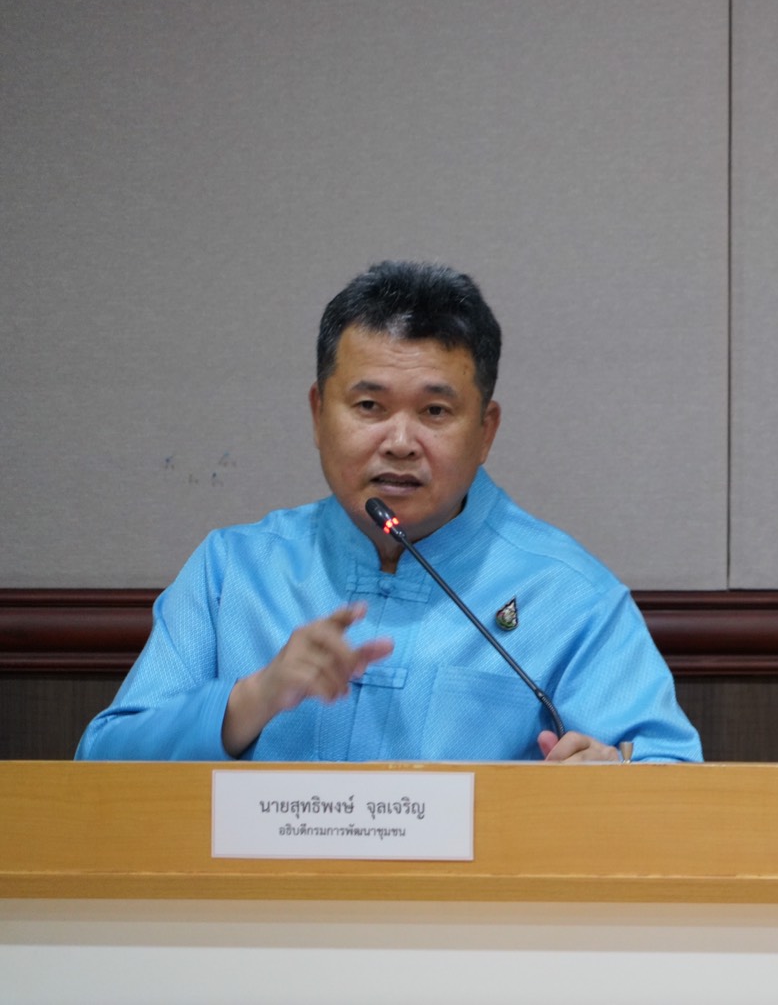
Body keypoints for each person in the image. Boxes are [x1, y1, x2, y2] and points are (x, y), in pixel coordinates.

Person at [77, 261, 702, 763]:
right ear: (318, 414)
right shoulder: (232, 572)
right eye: (369, 406)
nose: (400, 442)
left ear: (485, 431)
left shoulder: (568, 595)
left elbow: (671, 777)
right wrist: (251, 700)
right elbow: (100, 766)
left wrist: (612, 776)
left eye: (435, 412)